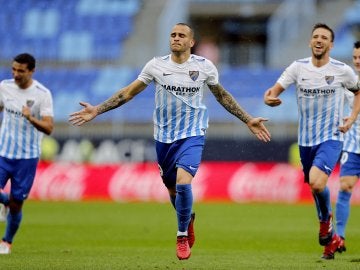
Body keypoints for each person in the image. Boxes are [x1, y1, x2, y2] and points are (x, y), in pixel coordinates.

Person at [69, 22, 271, 260]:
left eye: (181, 35)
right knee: (173, 188)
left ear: (191, 42)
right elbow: (128, 92)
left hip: (193, 134)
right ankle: (187, 218)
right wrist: (98, 110)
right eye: (173, 35)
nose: (176, 38)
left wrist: (247, 119)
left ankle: (182, 235)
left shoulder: (204, 67)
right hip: (164, 138)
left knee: (185, 183)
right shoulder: (156, 65)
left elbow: (222, 96)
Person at [264, 23, 360, 260]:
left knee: (317, 183)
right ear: (310, 42)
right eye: (315, 36)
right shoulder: (298, 68)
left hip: (332, 136)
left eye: (324, 37)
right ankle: (330, 236)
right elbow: (274, 90)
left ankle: (326, 224)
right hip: (306, 140)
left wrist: (351, 118)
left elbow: (358, 92)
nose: (319, 40)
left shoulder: (342, 70)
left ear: (331, 44)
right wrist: (271, 98)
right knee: (316, 189)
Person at [0, 53, 54, 254]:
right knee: (10, 202)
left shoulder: (42, 94)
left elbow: (49, 127)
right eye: (13, 69)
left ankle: (6, 242)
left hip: (27, 157)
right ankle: (6, 202)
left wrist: (31, 118)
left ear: (31, 71)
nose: (16, 74)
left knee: (17, 205)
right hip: (3, 152)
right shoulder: (4, 86)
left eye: (21, 71)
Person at [334, 40, 360, 254]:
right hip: (353, 143)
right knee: (344, 186)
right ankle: (339, 237)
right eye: (355, 58)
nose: (358, 61)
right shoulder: (349, 81)